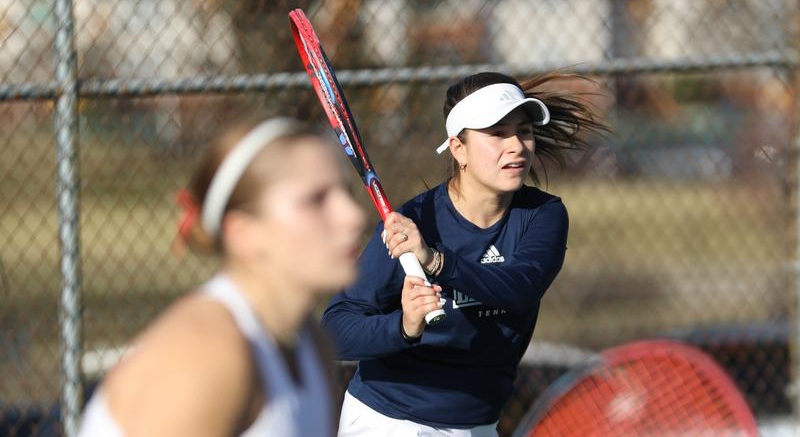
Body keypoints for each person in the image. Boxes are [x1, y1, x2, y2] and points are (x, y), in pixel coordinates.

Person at [322, 72, 608, 436]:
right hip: (391, 421)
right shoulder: (412, 224)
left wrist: (436, 261)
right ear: (459, 149)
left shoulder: (542, 215)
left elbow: (520, 288)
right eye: (497, 134)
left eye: (523, 131)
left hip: (477, 424)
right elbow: (335, 330)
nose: (517, 146)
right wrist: (404, 327)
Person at [78, 117, 366, 437]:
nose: (353, 215)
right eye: (316, 200)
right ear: (243, 232)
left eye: (346, 191)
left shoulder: (312, 344)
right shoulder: (208, 352)